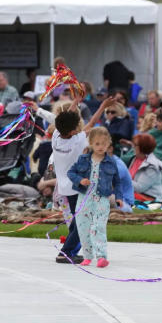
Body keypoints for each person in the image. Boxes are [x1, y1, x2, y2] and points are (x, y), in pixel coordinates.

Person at [68, 127, 121, 268]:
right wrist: (80, 180)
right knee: (83, 226)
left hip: (102, 199)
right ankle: (87, 256)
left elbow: (117, 181)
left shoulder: (111, 162)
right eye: (97, 144)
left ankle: (101, 256)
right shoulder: (83, 159)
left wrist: (119, 197)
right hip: (84, 197)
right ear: (91, 143)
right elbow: (71, 173)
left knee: (98, 226)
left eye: (104, 144)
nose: (100, 147)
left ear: (108, 144)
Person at [52, 111, 88, 264]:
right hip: (76, 187)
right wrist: (103, 106)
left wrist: (75, 101)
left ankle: (69, 250)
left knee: (77, 220)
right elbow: (92, 123)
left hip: (64, 187)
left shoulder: (55, 138)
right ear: (73, 131)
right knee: (82, 220)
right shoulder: (77, 141)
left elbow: (63, 119)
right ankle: (65, 252)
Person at [129, 133, 162, 201]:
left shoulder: (152, 166)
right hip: (134, 194)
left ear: (142, 147)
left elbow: (140, 188)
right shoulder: (135, 159)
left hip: (149, 198)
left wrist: (121, 179)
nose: (133, 147)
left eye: (135, 145)